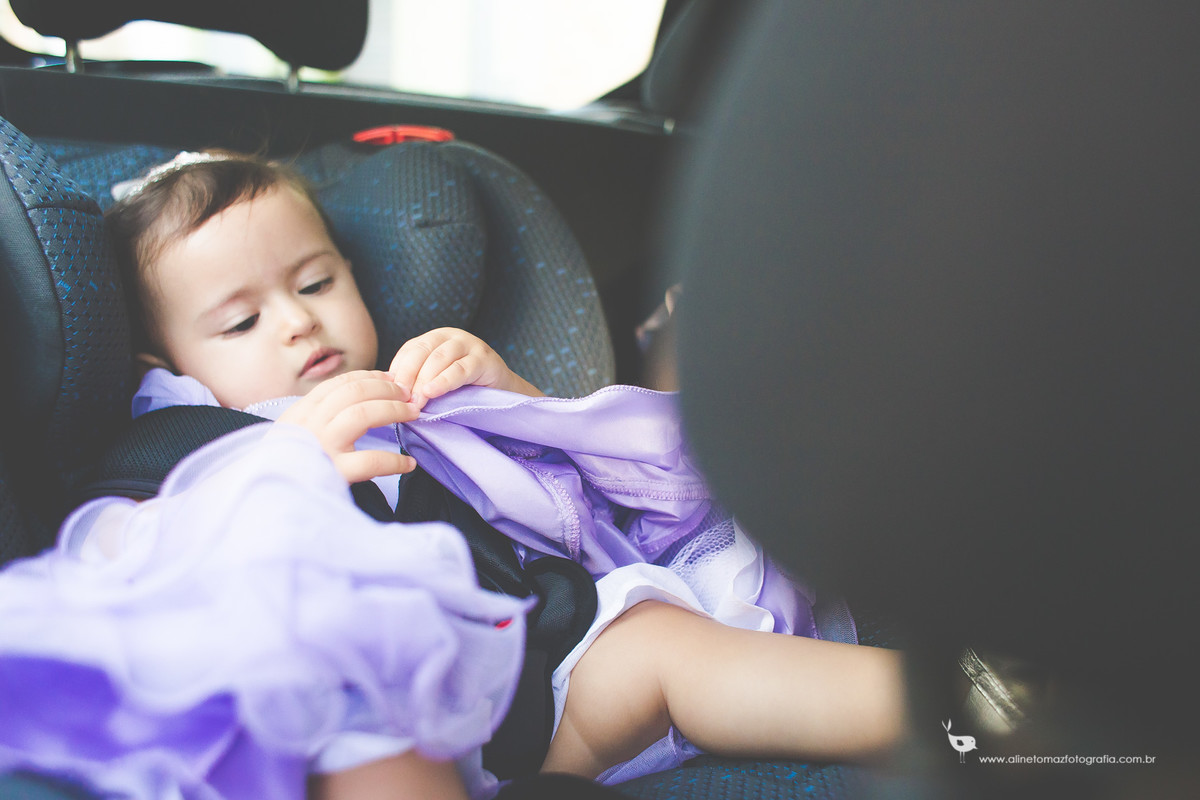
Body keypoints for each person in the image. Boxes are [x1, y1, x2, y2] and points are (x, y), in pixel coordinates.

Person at [4, 151, 906, 800]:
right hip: (368, 724)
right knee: (347, 718)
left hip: (540, 692)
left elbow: (572, 516)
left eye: (315, 283)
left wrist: (510, 403)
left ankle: (969, 718)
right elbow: (130, 586)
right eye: (240, 323)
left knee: (662, 644)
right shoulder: (169, 454)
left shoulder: (412, 394)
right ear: (158, 365)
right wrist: (277, 480)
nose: (295, 324)